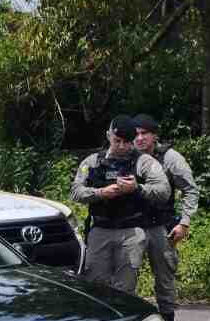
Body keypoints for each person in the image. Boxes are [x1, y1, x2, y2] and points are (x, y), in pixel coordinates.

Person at [71, 116, 171, 294]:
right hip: (100, 230)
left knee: (125, 289)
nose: (123, 146)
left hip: (131, 232)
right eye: (118, 141)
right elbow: (75, 192)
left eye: (127, 142)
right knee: (95, 286)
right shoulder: (92, 162)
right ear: (108, 135)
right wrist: (101, 193)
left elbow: (164, 191)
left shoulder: (144, 162)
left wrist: (137, 188)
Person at [131, 115, 200, 321]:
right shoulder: (125, 156)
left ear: (154, 135)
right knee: (125, 279)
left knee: (165, 278)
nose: (139, 138)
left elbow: (190, 189)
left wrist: (184, 222)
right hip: (130, 227)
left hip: (161, 226)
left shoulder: (169, 157)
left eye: (144, 133)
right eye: (136, 134)